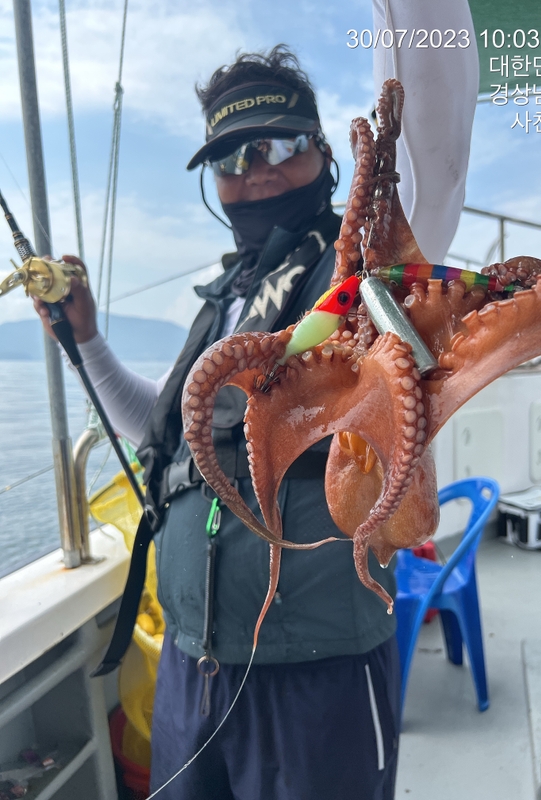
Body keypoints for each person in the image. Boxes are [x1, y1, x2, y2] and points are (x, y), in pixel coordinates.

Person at [35, 46, 400, 800]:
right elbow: (171, 430)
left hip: (315, 665)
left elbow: (424, 162)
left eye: (282, 144)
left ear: (327, 156)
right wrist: (87, 340)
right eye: (233, 156)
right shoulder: (228, 299)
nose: (257, 169)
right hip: (194, 663)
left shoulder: (365, 272)